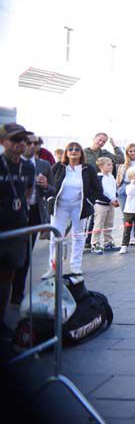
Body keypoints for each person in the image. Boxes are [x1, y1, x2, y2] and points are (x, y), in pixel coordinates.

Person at [46, 142, 104, 278]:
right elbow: (48, 184)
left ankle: (76, 266)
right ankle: (53, 267)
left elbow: (97, 189)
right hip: (60, 207)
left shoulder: (88, 169)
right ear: (66, 152)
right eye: (70, 149)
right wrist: (50, 198)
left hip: (79, 207)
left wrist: (89, 201)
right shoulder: (58, 167)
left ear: (81, 153)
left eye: (77, 149)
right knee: (55, 237)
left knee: (78, 236)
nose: (73, 151)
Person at [0, 123, 35, 340]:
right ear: (3, 142)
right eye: (15, 139)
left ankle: (2, 320)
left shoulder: (28, 167)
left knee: (7, 277)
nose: (21, 144)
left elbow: (28, 192)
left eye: (24, 140)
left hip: (18, 230)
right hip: (1, 230)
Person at [11, 132, 55, 304]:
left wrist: (45, 185)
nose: (32, 146)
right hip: (13, 215)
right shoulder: (11, 163)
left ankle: (17, 293)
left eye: (36, 143)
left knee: (26, 255)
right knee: (11, 254)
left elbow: (53, 190)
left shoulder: (44, 164)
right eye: (29, 143)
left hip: (34, 214)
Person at [83, 133, 124, 249]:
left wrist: (114, 146)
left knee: (101, 220)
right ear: (94, 138)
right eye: (99, 140)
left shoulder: (105, 153)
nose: (101, 143)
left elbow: (121, 159)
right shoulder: (84, 152)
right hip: (88, 188)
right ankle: (90, 242)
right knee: (92, 218)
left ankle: (103, 242)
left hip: (101, 190)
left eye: (104, 141)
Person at [90, 157, 119, 255]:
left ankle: (108, 242)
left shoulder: (111, 176)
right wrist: (109, 201)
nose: (112, 166)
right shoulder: (99, 177)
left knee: (109, 224)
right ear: (101, 166)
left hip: (111, 204)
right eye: (109, 164)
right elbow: (99, 193)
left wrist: (115, 198)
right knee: (98, 224)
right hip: (101, 205)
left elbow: (113, 189)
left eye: (111, 164)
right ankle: (95, 244)